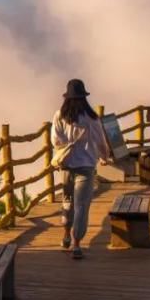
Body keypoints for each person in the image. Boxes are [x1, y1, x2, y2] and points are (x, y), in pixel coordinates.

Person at [51, 78, 110, 259]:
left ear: (67, 97)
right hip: (86, 165)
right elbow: (101, 141)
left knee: (67, 201)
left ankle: (66, 235)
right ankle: (77, 244)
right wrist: (103, 157)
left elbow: (55, 140)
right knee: (81, 206)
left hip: (67, 165)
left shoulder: (60, 115)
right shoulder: (91, 118)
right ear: (84, 96)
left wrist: (67, 147)